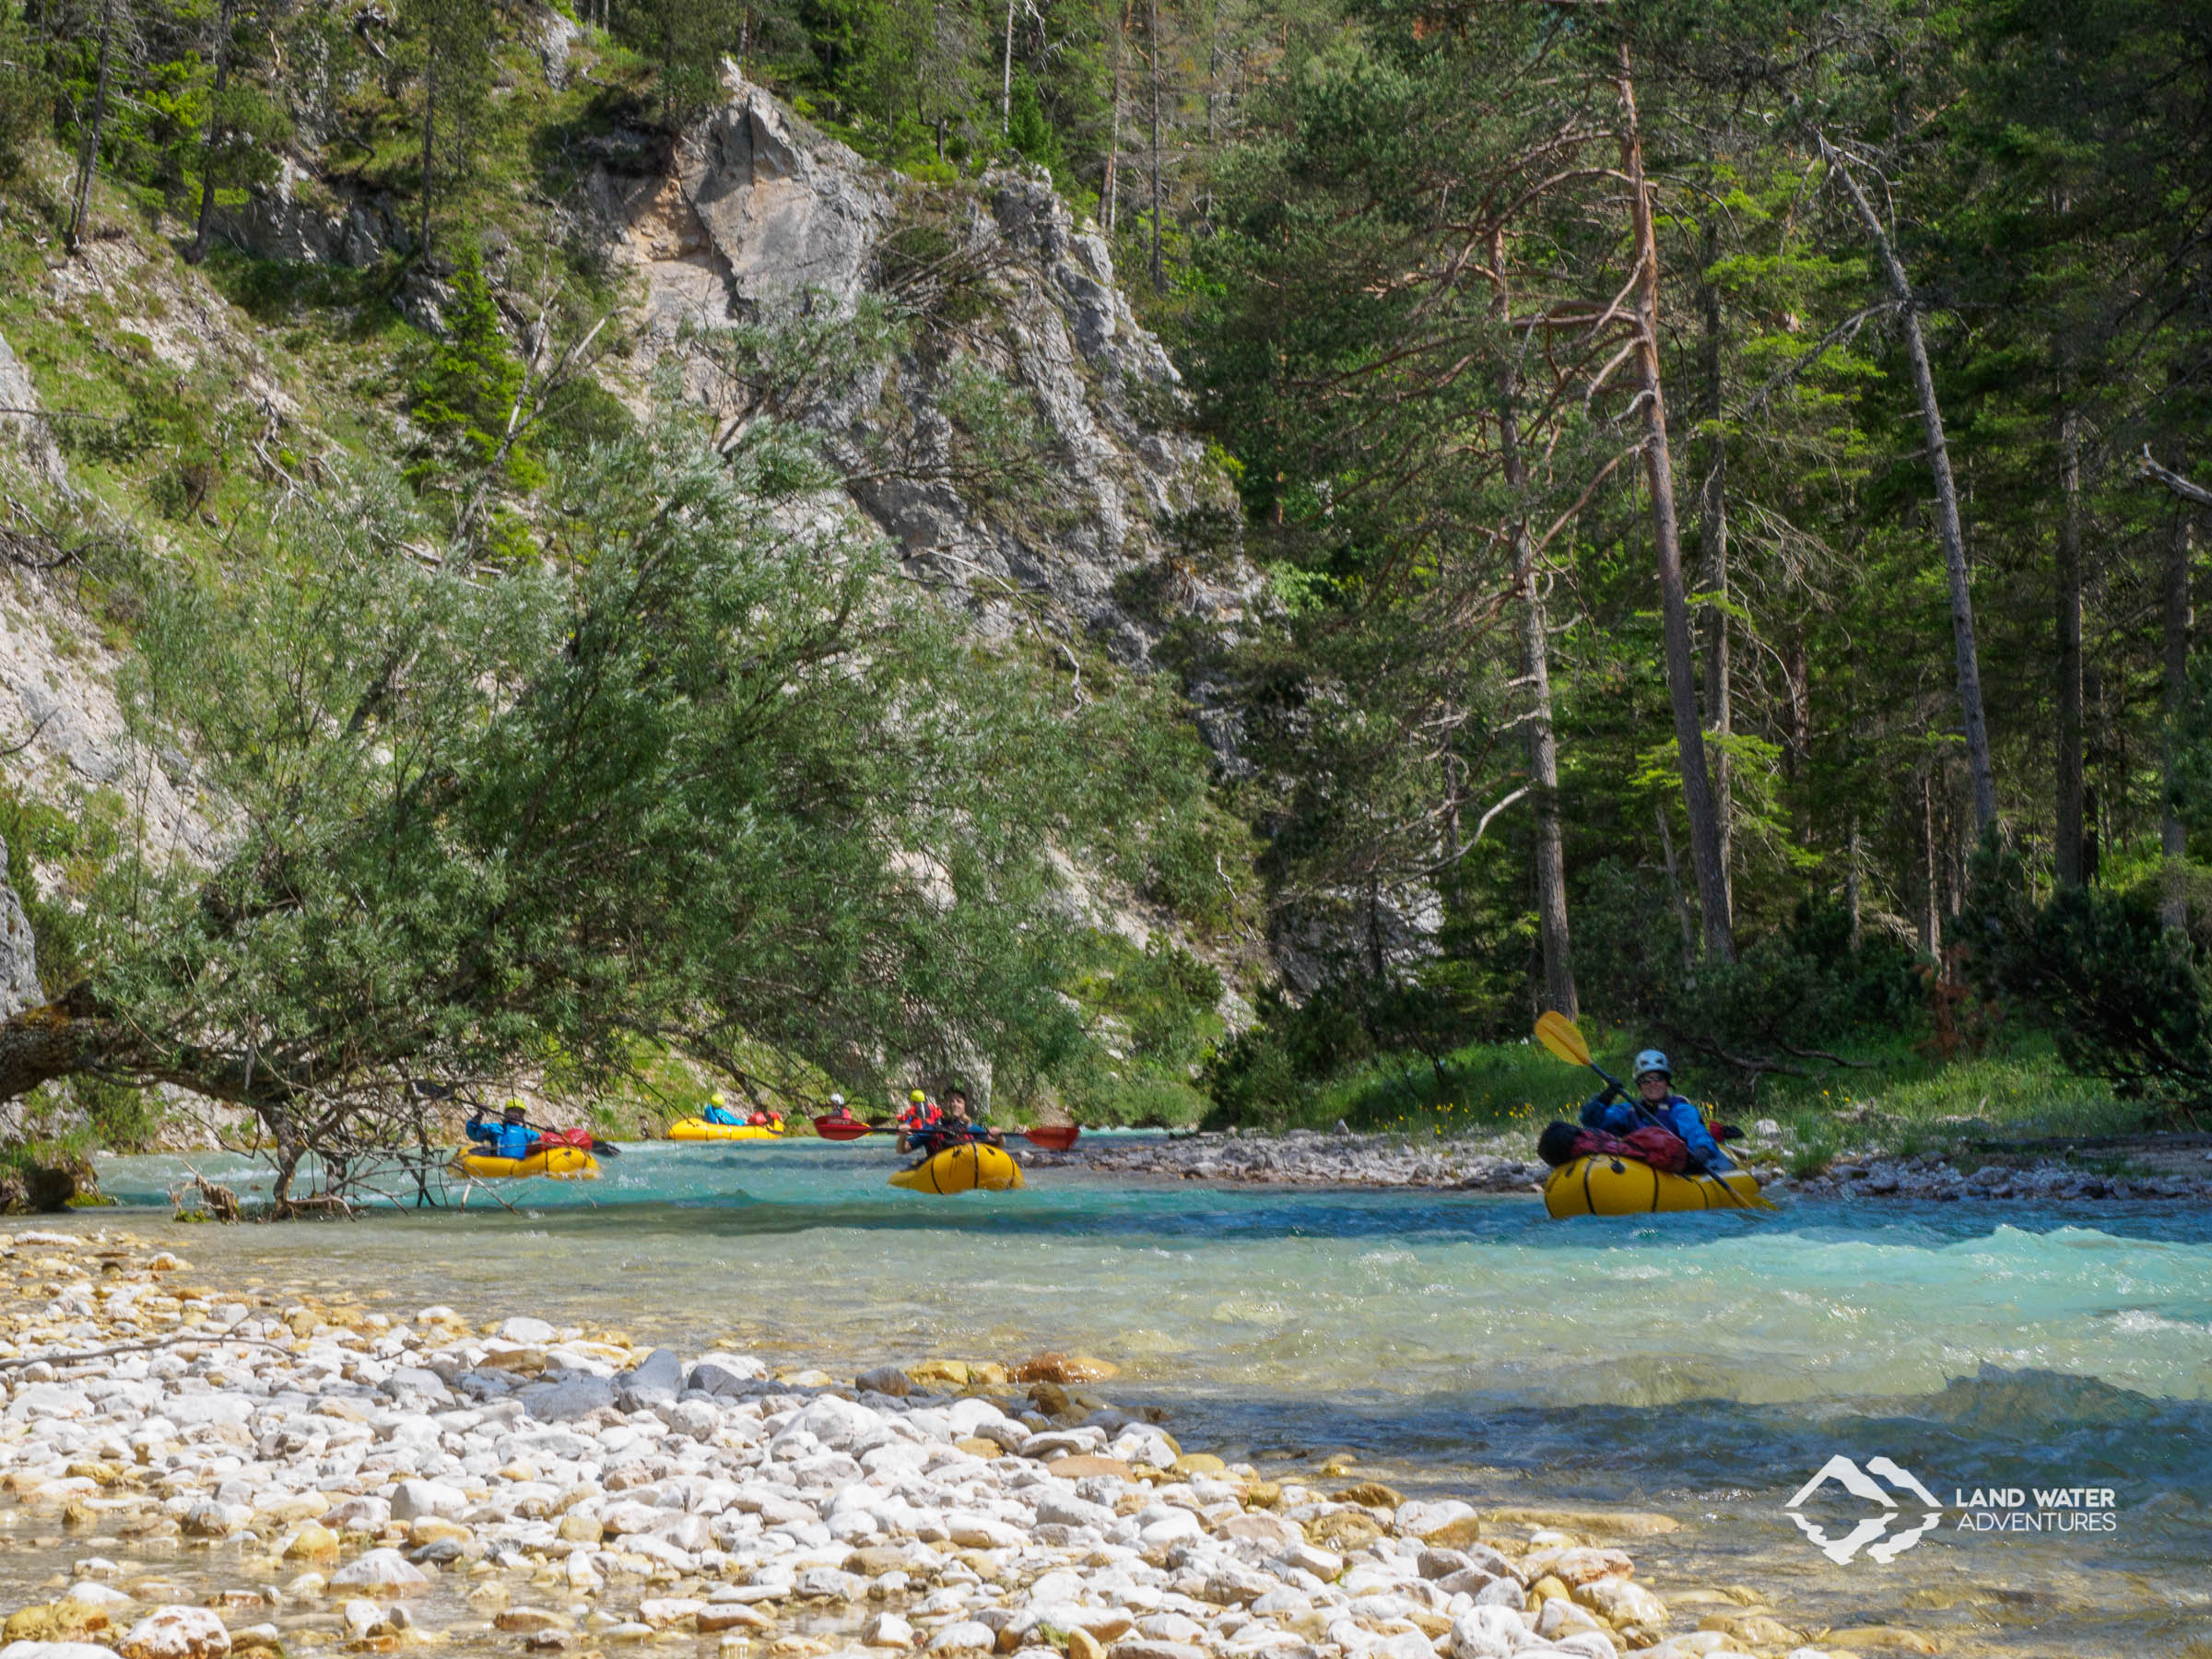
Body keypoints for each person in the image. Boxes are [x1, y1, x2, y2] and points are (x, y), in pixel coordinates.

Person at [1580, 1051, 1732, 1173]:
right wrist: (1605, 1098)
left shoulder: (1681, 1110)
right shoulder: (1628, 1111)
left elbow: (1696, 1132)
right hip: (1642, 1170)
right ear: (1639, 1085)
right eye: (1646, 1079)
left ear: (1667, 1082)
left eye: (1658, 1078)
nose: (1653, 1084)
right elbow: (1590, 1122)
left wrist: (1702, 1149)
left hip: (1679, 1168)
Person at [467, 1100, 537, 1160]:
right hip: (499, 1165)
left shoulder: (528, 1133)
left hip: (520, 1166)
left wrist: (548, 1132)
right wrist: (479, 1115)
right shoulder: (496, 1129)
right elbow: (474, 1135)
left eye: (520, 1112)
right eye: (513, 1111)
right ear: (506, 1113)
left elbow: (543, 1141)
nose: (517, 1115)